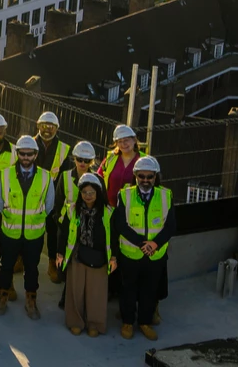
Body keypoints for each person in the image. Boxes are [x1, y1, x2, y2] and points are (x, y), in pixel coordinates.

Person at [0, 135, 56, 320]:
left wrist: (36, 219)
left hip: (33, 233)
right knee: (6, 266)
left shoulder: (45, 177)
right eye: (22, 154)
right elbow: (0, 200)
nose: (26, 157)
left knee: (32, 268)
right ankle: (2, 296)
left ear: (35, 154)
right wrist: (11, 217)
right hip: (10, 230)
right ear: (17, 153)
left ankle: (31, 299)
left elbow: (49, 204)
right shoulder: (5, 175)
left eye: (29, 154)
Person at [114, 156, 170, 340]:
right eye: (141, 176)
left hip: (155, 255)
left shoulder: (165, 196)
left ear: (155, 177)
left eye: (150, 176)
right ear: (135, 176)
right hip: (131, 254)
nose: (145, 180)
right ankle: (128, 322)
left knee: (149, 290)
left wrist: (154, 244)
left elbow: (171, 226)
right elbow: (120, 224)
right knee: (128, 289)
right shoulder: (125, 195)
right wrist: (141, 243)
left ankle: (144, 322)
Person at [54, 173, 114, 337]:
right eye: (85, 192)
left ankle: (95, 324)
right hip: (77, 256)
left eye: (92, 193)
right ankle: (76, 322)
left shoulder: (108, 212)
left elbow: (114, 235)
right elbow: (63, 232)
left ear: (98, 193)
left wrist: (114, 257)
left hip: (100, 257)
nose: (88, 196)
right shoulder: (72, 210)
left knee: (96, 293)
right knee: (76, 291)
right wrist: (60, 253)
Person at [48, 141, 99, 285]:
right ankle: (60, 273)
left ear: (91, 161)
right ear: (74, 158)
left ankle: (77, 278)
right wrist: (59, 219)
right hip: (66, 222)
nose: (82, 163)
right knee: (62, 250)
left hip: (86, 222)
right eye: (79, 159)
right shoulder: (65, 176)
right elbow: (58, 201)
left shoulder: (96, 179)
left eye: (87, 160)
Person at [100, 125, 146, 207]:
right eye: (119, 141)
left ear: (134, 140)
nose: (123, 144)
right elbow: (98, 177)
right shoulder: (110, 158)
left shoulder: (144, 160)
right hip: (109, 208)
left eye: (126, 140)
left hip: (133, 210)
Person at [35, 112, 72, 178]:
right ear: (38, 126)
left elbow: (63, 177)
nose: (47, 129)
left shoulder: (63, 150)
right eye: (44, 126)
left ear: (57, 128)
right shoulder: (30, 144)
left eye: (51, 127)